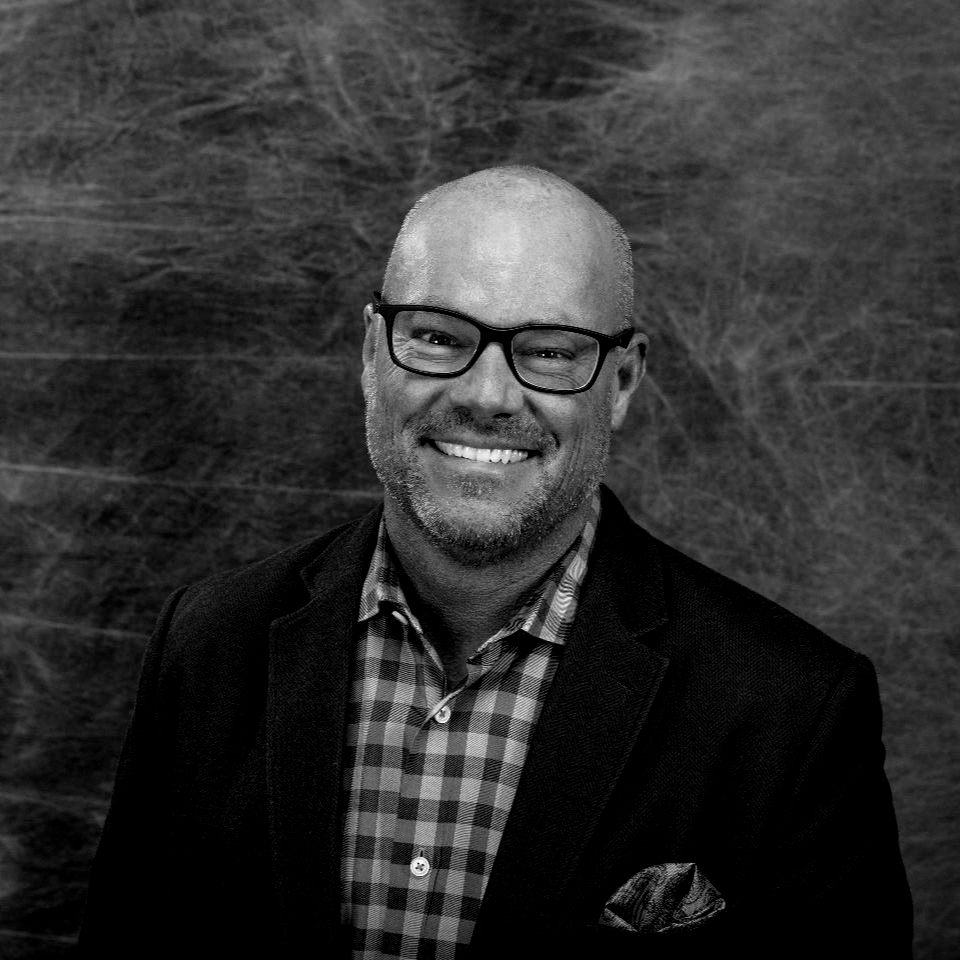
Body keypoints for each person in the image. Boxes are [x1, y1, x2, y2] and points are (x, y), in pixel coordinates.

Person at [79, 166, 912, 958]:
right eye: (439, 336)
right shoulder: (208, 643)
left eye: (550, 350)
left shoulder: (790, 709)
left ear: (621, 380)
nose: (486, 396)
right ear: (373, 352)